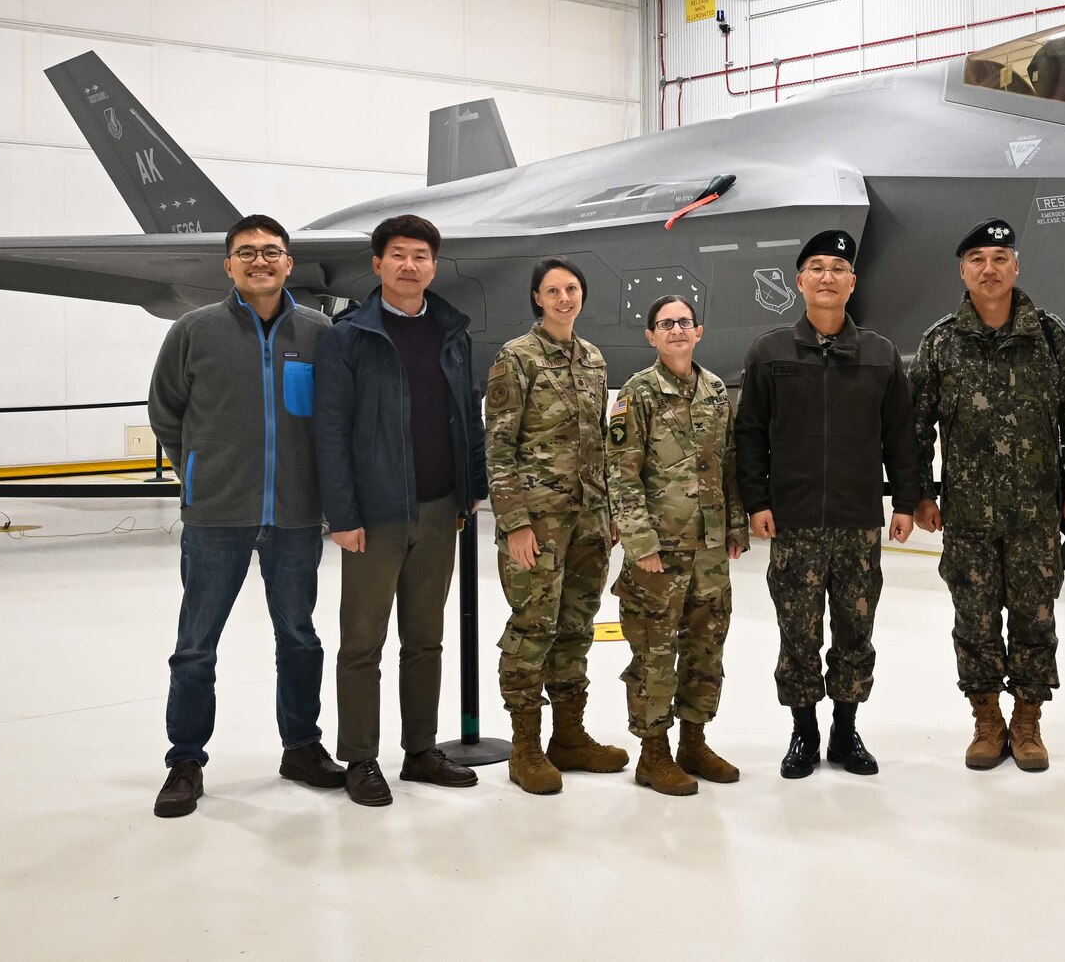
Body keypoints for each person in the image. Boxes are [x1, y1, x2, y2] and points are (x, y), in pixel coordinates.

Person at [147, 214, 341, 817]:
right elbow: (166, 412)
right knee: (196, 646)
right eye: (247, 253)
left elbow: (331, 420)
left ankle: (302, 747)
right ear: (228, 265)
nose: (261, 261)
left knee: (301, 639)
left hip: (295, 518)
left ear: (289, 264)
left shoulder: (318, 333)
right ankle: (185, 759)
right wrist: (199, 473)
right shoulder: (193, 331)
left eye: (273, 252)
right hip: (216, 516)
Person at [910, 219, 1065, 772]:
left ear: (1016, 265)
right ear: (962, 271)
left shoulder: (1050, 334)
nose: (988, 269)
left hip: (1036, 512)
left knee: (1036, 617)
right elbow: (916, 426)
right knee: (974, 618)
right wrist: (920, 493)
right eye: (977, 260)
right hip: (966, 516)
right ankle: (987, 719)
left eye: (999, 257)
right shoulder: (941, 340)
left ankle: (1029, 720)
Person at [314, 215, 488, 807]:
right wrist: (341, 514)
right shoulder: (349, 335)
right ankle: (361, 758)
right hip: (376, 515)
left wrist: (470, 492)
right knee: (362, 644)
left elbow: (468, 416)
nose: (410, 265)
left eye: (421, 255)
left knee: (425, 639)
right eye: (398, 255)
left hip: (441, 509)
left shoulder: (452, 332)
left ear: (434, 266)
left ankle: (420, 751)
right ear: (378, 264)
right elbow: (331, 430)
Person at [735, 229, 921, 779]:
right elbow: (749, 434)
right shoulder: (769, 353)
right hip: (792, 522)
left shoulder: (880, 355)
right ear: (800, 282)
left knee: (855, 632)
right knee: (797, 634)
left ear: (852, 283)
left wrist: (905, 500)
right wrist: (757, 500)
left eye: (838, 268)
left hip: (856, 521)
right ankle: (803, 733)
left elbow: (901, 436)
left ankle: (845, 730)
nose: (827, 277)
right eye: (816, 268)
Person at [485, 257, 628, 795]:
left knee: (576, 627)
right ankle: (525, 748)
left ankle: (569, 737)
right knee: (532, 628)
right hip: (537, 522)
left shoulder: (592, 359)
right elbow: (499, 446)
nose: (564, 298)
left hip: (590, 521)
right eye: (553, 290)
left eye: (571, 289)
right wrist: (515, 522)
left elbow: (599, 441)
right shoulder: (516, 359)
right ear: (537, 299)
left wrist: (610, 511)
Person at [606, 296, 749, 796]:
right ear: (651, 337)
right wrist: (640, 543)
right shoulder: (637, 393)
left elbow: (729, 464)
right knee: (654, 654)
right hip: (659, 552)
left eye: (684, 323)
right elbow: (620, 475)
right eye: (666, 325)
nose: (676, 331)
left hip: (709, 550)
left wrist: (734, 528)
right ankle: (653, 754)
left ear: (699, 331)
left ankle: (694, 741)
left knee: (706, 649)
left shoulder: (714, 390)